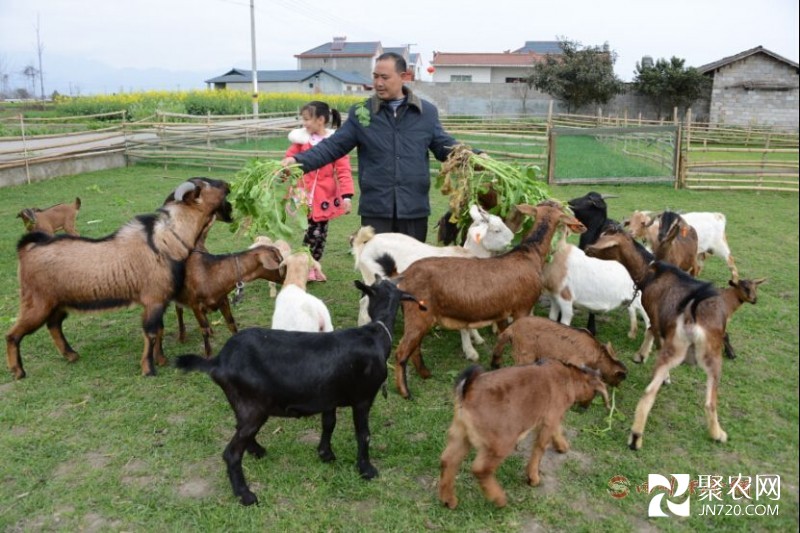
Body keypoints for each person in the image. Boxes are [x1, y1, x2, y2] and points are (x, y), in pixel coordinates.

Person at [281, 52, 469, 243]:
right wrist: (297, 161)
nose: (378, 83)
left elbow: (442, 144)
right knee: (376, 268)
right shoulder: (362, 112)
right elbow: (332, 146)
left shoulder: (426, 112)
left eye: (385, 77)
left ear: (404, 77)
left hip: (413, 207)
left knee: (412, 269)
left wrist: (473, 157)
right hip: (376, 207)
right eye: (375, 76)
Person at [284, 100, 354, 279]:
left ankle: (310, 266)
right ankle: (306, 265)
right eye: (303, 119)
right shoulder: (301, 142)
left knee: (320, 233)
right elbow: (289, 161)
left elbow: (343, 171)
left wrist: (347, 196)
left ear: (321, 120)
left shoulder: (335, 143)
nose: (304, 123)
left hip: (324, 197)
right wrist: (284, 173)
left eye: (307, 119)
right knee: (313, 232)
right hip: (304, 195)